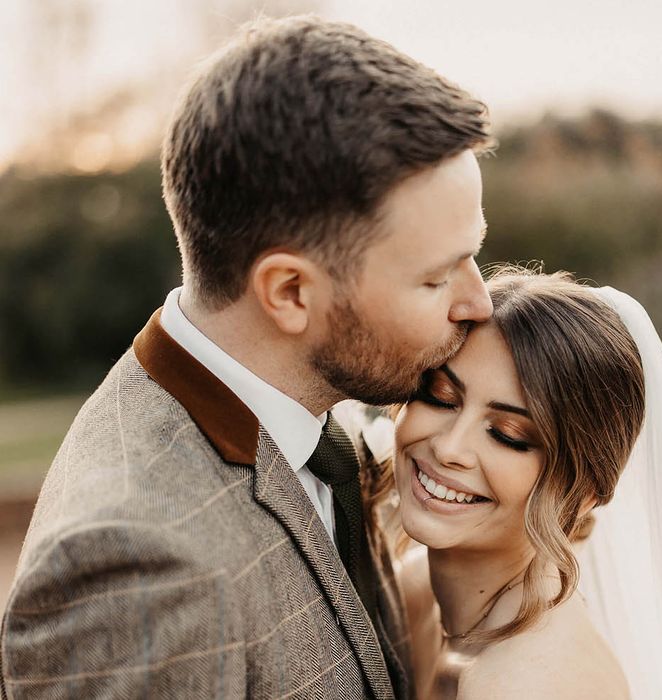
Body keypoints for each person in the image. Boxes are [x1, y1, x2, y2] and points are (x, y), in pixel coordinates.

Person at [0, 16, 494, 699]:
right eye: (438, 277)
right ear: (290, 292)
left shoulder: (303, 412)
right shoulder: (142, 569)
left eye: (475, 253)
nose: (479, 303)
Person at [362, 267, 662, 699]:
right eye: (441, 397)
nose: (449, 448)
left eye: (507, 435)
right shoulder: (413, 591)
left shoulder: (532, 683)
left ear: (586, 492)